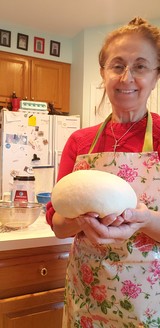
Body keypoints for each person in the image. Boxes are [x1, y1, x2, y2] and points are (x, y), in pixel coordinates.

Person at [46, 17, 160, 327]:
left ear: (155, 76)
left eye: (140, 66)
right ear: (103, 73)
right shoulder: (79, 141)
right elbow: (57, 223)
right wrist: (78, 222)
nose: (127, 77)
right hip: (87, 298)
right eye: (117, 65)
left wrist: (145, 221)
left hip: (149, 303)